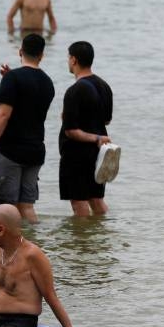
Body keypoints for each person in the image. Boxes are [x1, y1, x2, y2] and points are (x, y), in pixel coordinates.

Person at [0, 34, 55, 224]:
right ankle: (34, 245)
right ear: (42, 55)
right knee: (26, 206)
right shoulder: (47, 83)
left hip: (11, 151)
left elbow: (3, 115)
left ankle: (2, 252)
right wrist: (11, 78)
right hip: (35, 151)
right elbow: (29, 100)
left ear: (20, 51)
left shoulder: (13, 79)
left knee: (4, 207)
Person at [58, 42, 113, 217]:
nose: (68, 61)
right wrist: (97, 136)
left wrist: (94, 137)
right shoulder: (104, 86)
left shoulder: (74, 91)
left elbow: (70, 131)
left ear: (74, 60)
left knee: (78, 202)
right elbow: (106, 120)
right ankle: (100, 234)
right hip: (98, 154)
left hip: (77, 155)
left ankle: (82, 242)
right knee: (96, 199)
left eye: (68, 57)